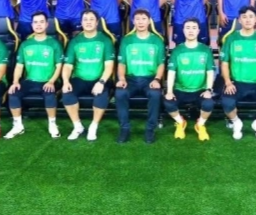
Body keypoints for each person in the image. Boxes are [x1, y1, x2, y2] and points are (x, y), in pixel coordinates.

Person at [220, 6, 256, 141]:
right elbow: (224, 63)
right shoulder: (231, 39)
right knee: (227, 103)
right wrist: (228, 83)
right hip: (237, 82)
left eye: (251, 16)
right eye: (244, 17)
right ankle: (236, 122)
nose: (248, 20)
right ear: (239, 20)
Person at [5, 12, 64, 140]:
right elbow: (19, 66)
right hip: (30, 81)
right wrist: (15, 82)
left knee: (49, 93)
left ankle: (52, 124)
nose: (38, 25)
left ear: (47, 24)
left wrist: (51, 81)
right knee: (13, 93)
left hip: (49, 80)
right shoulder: (25, 44)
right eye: (35, 22)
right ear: (32, 25)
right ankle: (18, 125)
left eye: (41, 22)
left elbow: (59, 66)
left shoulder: (54, 44)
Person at [61, 10, 115, 142]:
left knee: (101, 96)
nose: (88, 22)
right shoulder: (75, 41)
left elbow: (109, 66)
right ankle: (77, 126)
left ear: (97, 23)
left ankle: (93, 126)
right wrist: (66, 81)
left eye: (91, 19)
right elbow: (68, 66)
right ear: (81, 22)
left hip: (99, 79)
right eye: (85, 19)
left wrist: (101, 82)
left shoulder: (105, 40)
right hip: (79, 79)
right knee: (67, 94)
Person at [115, 9, 166, 144]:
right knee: (120, 93)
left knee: (155, 94)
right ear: (133, 21)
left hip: (150, 79)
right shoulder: (127, 40)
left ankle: (150, 129)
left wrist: (157, 79)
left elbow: (161, 64)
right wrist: (121, 79)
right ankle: (124, 128)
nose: (140, 22)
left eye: (144, 19)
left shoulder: (157, 40)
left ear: (149, 21)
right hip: (130, 79)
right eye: (137, 19)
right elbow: (122, 63)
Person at [164, 18, 214, 141]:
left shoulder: (205, 50)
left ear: (198, 31)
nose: (190, 31)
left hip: (200, 90)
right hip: (181, 90)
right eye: (187, 28)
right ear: (183, 30)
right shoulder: (177, 51)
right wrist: (169, 91)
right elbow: (171, 72)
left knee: (209, 103)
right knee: (167, 102)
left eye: (193, 28)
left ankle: (200, 124)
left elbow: (210, 72)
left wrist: (208, 90)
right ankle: (181, 122)